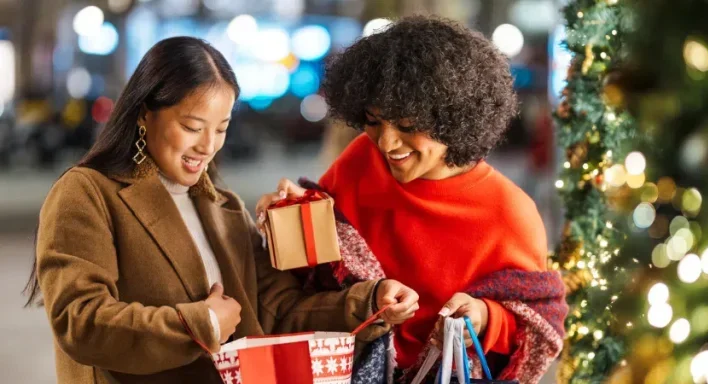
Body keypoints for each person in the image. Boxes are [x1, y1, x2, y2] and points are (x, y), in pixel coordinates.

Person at [23, 37, 419, 384]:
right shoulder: (88, 193)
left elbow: (278, 310)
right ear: (145, 113)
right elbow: (81, 322)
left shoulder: (221, 205)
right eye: (193, 127)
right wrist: (202, 323)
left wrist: (369, 301)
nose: (208, 146)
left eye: (222, 127)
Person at [256, 16, 567, 383]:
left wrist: (483, 317)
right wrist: (292, 214)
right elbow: (315, 271)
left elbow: (538, 324)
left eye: (406, 126)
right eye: (373, 121)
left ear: (453, 118)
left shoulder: (509, 213)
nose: (386, 144)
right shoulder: (360, 161)